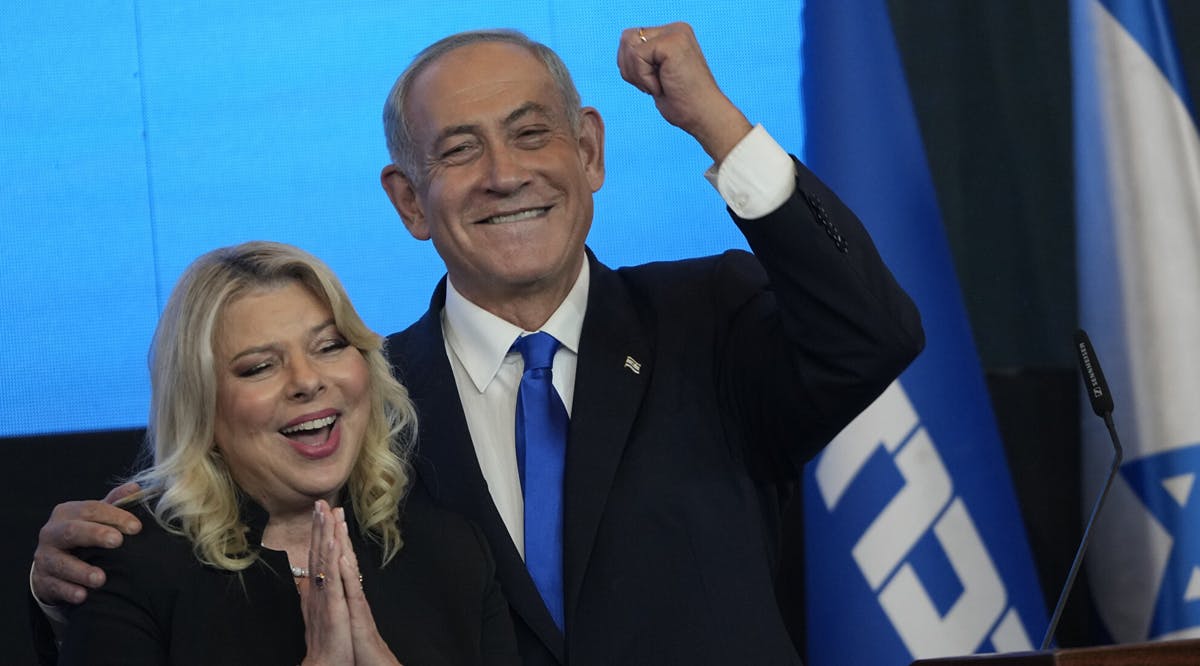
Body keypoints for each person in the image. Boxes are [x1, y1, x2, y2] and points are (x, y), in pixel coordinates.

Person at [32, 23, 924, 665]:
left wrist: (714, 120)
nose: (505, 174)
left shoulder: (712, 318)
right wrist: (74, 579)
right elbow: (203, 570)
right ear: (409, 201)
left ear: (590, 153)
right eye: (458, 151)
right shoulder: (357, 408)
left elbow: (872, 333)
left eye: (533, 134)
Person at [53, 241, 519, 665]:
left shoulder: (452, 553)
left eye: (329, 346)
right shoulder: (132, 571)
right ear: (201, 405)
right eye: (259, 367)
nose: (307, 381)